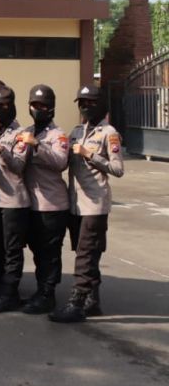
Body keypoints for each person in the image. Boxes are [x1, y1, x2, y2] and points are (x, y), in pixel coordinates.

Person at [51, 86, 124, 323]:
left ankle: (77, 303)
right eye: (81, 102)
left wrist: (89, 155)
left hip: (94, 204)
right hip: (75, 204)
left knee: (85, 254)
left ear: (100, 105)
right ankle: (93, 300)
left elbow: (117, 169)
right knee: (88, 253)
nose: (84, 107)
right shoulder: (76, 131)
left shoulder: (108, 133)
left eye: (90, 102)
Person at [0, 85, 32, 313]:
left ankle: (11, 291)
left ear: (11, 106)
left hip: (13, 200)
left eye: (1, 106)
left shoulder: (19, 134)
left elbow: (19, 166)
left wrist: (0, 148)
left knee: (12, 250)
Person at [21, 84, 70, 315]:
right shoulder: (27, 131)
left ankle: (47, 294)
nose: (38, 109)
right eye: (34, 105)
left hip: (52, 204)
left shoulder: (57, 135)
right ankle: (40, 290)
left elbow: (61, 162)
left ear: (51, 108)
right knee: (37, 250)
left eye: (43, 106)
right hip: (30, 203)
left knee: (49, 252)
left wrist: (37, 145)